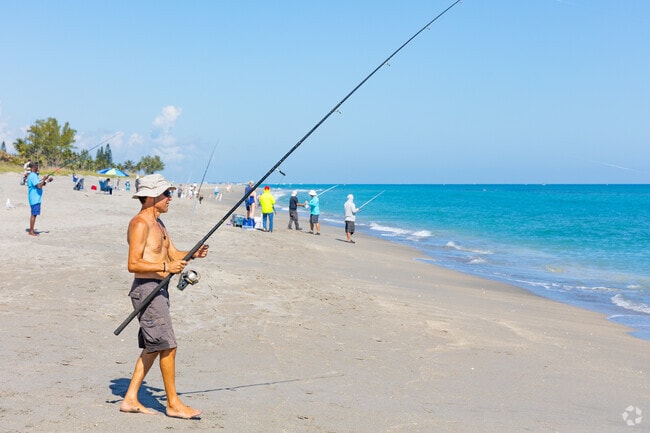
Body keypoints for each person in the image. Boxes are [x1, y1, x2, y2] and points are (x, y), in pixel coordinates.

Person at [120, 174, 209, 419]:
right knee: (168, 346)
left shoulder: (159, 224)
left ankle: (129, 399)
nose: (170, 198)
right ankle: (173, 404)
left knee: (153, 347)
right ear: (150, 197)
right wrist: (165, 269)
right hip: (146, 289)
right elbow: (133, 264)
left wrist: (193, 254)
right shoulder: (140, 223)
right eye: (165, 194)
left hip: (159, 289)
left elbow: (173, 255)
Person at [26, 161, 53, 236]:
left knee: (34, 214)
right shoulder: (33, 175)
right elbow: (39, 186)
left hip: (34, 197)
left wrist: (47, 180)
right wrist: (44, 179)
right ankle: (31, 231)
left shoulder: (32, 175)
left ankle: (31, 230)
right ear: (33, 167)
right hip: (34, 198)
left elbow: (40, 184)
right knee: (34, 214)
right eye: (36, 166)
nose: (37, 168)